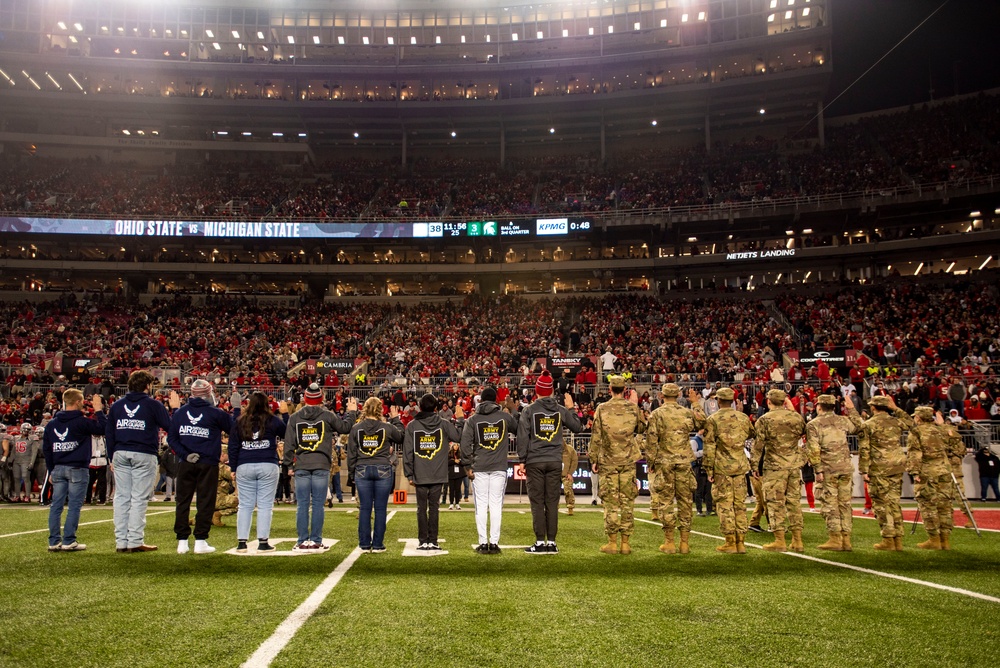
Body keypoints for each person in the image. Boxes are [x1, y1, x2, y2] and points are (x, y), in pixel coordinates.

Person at [106, 371, 179, 553]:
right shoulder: (153, 404)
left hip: (120, 452)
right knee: (138, 498)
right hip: (143, 452)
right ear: (147, 386)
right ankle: (134, 541)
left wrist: (111, 456)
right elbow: (170, 427)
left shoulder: (116, 405)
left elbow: (109, 432)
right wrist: (176, 409)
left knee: (121, 497)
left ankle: (121, 542)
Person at [167, 380, 239, 555]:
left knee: (182, 501)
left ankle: (182, 542)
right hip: (208, 463)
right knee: (205, 501)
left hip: (186, 463)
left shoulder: (180, 413)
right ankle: (200, 540)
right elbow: (235, 431)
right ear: (209, 393)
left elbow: (172, 439)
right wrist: (236, 410)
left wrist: (185, 454)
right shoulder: (215, 413)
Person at [283, 383, 357, 551]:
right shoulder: (327, 415)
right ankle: (316, 540)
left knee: (302, 504)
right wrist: (352, 412)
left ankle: (302, 540)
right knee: (317, 504)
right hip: (321, 464)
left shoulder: (295, 417)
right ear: (321, 398)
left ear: (305, 398)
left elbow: (288, 444)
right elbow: (345, 427)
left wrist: (288, 464)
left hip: (301, 464)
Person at [516, 371, 583, 554]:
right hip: (554, 460)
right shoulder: (560, 410)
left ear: (536, 391)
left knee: (537, 502)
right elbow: (577, 427)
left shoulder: (529, 410)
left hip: (535, 461)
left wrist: (521, 459)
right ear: (552, 391)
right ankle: (551, 542)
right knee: (552, 502)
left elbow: (522, 436)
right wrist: (571, 409)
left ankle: (539, 542)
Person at [644, 384, 705, 555]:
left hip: (665, 463)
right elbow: (702, 422)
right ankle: (684, 543)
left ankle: (669, 542)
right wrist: (695, 403)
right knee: (686, 502)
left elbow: (651, 441)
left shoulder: (657, 414)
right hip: (684, 462)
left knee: (666, 502)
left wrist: (652, 462)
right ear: (678, 394)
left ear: (662, 395)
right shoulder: (686, 412)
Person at [587, 375, 646, 555]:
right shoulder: (632, 408)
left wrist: (593, 459)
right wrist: (636, 406)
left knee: (611, 502)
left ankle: (612, 542)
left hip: (608, 460)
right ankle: (625, 543)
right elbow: (643, 428)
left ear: (610, 389)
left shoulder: (602, 408)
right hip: (628, 460)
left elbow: (596, 436)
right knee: (627, 502)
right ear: (625, 390)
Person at [43, 390, 107, 551]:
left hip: (58, 468)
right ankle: (68, 540)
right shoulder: (81, 421)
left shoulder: (52, 424)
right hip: (77, 467)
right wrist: (98, 410)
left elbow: (47, 450)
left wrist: (51, 470)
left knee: (56, 505)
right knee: (73, 506)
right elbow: (104, 428)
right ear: (78, 402)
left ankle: (53, 541)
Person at [460, 386, 518, 554]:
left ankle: (483, 542)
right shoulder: (504, 417)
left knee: (481, 506)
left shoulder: (472, 420)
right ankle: (494, 543)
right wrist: (513, 409)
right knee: (496, 505)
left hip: (479, 467)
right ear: (495, 400)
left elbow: (465, 444)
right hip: (499, 467)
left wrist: (467, 465)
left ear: (481, 400)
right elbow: (520, 427)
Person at [750, 389, 807, 553]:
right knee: (794, 503)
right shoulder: (796, 418)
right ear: (784, 401)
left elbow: (758, 446)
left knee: (775, 503)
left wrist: (754, 466)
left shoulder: (764, 419)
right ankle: (797, 540)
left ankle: (780, 540)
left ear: (768, 402)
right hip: (794, 466)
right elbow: (806, 434)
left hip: (774, 466)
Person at [229, 392, 287, 553]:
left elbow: (233, 446)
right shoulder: (272, 420)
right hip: (268, 463)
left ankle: (242, 542)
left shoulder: (240, 421)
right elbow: (288, 434)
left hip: (245, 464)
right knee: (265, 506)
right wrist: (286, 414)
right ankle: (262, 542)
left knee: (245, 505)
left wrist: (233, 468)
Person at [403, 393, 462, 551]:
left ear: (420, 407)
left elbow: (408, 451)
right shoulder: (443, 423)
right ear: (436, 408)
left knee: (421, 508)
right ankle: (433, 540)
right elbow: (457, 437)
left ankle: (423, 541)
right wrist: (461, 420)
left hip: (420, 473)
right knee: (434, 508)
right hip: (438, 473)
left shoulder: (412, 426)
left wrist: (409, 473)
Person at [805, 395, 863, 551]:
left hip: (828, 469)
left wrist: (817, 469)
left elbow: (814, 449)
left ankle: (835, 538)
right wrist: (851, 409)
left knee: (830, 504)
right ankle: (846, 540)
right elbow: (860, 426)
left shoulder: (814, 424)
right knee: (845, 504)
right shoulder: (843, 420)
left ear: (819, 407)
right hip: (845, 467)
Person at [702, 387, 755, 554]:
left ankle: (730, 541)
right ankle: (741, 542)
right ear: (732, 400)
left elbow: (709, 446)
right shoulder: (743, 418)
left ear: (718, 401)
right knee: (740, 505)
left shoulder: (713, 419)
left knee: (725, 505)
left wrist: (709, 469)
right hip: (740, 466)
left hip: (722, 468)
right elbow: (751, 433)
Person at [348, 397, 403, 552]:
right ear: (380, 409)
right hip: (383, 469)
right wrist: (396, 419)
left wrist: (352, 473)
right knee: (380, 508)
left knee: (365, 508)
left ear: (365, 408)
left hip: (362, 468)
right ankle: (378, 544)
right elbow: (401, 436)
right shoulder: (386, 427)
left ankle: (364, 543)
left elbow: (352, 454)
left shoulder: (356, 428)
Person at [858, 395, 914, 551]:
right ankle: (898, 539)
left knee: (881, 503)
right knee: (894, 502)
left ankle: (888, 538)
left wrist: (863, 470)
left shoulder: (869, 424)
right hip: (896, 465)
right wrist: (896, 409)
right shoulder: (896, 421)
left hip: (879, 466)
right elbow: (912, 424)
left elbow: (864, 449)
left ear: (873, 408)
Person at [907, 407, 963, 550]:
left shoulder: (916, 432)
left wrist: (915, 472)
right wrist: (944, 425)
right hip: (944, 471)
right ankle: (945, 540)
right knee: (945, 506)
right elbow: (956, 439)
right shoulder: (941, 430)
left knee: (928, 505)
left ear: (918, 418)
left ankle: (934, 539)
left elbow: (915, 453)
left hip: (927, 472)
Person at [691, 429, 713, 517]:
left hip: (707, 466)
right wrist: (704, 452)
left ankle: (709, 509)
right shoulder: (694, 441)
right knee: (699, 489)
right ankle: (699, 510)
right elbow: (692, 454)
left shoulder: (707, 440)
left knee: (709, 489)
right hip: (698, 467)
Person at [562, 441, 579, 515]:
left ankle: (570, 507)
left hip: (566, 475)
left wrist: (570, 473)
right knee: (552, 492)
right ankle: (553, 508)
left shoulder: (570, 450)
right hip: (554, 474)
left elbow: (574, 461)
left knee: (568, 490)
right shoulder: (552, 450)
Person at [447, 443, 466, 510]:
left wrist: (459, 461)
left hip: (459, 474)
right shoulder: (449, 454)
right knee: (451, 489)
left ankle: (457, 503)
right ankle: (451, 503)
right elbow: (447, 462)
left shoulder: (460, 454)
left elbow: (464, 462)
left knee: (458, 489)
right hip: (451, 474)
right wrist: (454, 461)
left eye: (457, 445)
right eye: (455, 445)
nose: (456, 447)